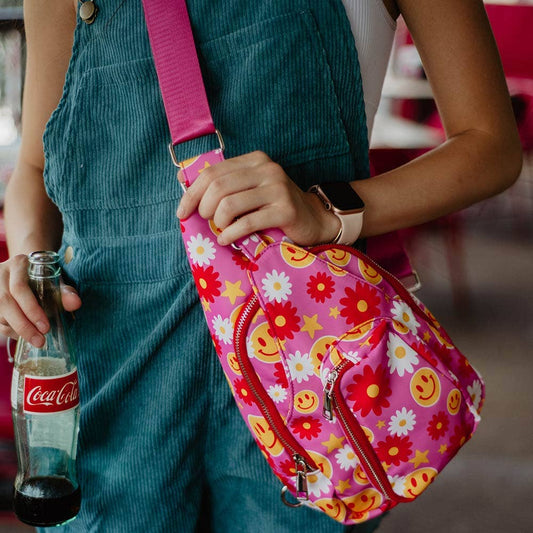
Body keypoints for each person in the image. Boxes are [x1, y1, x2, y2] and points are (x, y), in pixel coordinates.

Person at [0, 0, 522, 531]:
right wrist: (25, 262)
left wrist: (327, 209)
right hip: (112, 367)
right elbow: (37, 169)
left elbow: (490, 144)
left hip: (308, 373)